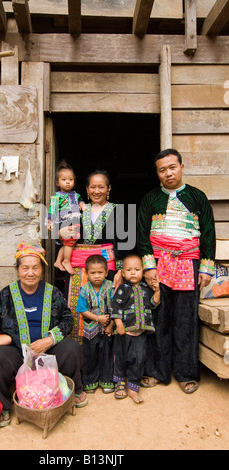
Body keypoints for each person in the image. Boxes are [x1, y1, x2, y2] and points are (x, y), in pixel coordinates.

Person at [0, 242, 88, 423]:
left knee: (72, 348)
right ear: (18, 270)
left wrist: (49, 339)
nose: (30, 273)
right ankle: (5, 404)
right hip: (15, 352)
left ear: (42, 269)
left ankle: (74, 389)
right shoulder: (5, 296)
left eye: (35, 268)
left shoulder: (52, 293)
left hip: (48, 351)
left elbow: (68, 319)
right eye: (25, 268)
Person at [137, 148, 216, 393]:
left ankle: (185, 373)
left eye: (172, 167)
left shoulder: (197, 197)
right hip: (160, 264)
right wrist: (149, 266)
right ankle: (157, 372)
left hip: (188, 264)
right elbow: (142, 235)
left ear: (182, 167)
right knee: (159, 317)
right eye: (162, 170)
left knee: (185, 319)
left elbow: (209, 234)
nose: (168, 173)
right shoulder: (150, 199)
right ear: (157, 173)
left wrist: (205, 268)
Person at [62, 170, 128, 343]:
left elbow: (124, 242)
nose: (97, 191)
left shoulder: (118, 211)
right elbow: (63, 236)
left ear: (108, 189)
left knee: (107, 307)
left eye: (101, 187)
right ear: (87, 189)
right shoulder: (76, 210)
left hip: (106, 267)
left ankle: (107, 357)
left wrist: (120, 270)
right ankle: (79, 353)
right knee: (78, 308)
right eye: (93, 187)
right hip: (78, 267)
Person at [111, 254, 160, 403]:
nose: (133, 273)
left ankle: (133, 387)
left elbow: (153, 304)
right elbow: (115, 307)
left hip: (141, 334)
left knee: (138, 360)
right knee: (120, 358)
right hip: (124, 333)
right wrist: (118, 324)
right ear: (123, 273)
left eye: (137, 269)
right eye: (129, 270)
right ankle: (119, 383)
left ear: (143, 271)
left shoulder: (146, 289)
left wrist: (157, 291)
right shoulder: (122, 289)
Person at [76, 254, 114, 394]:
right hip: (90, 330)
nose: (96, 276)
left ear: (106, 272)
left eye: (100, 272)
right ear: (86, 274)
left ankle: (107, 380)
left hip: (107, 329)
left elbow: (115, 307)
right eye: (93, 273)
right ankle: (90, 381)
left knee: (107, 354)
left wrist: (110, 325)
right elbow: (82, 310)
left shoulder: (110, 287)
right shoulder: (84, 290)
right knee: (90, 355)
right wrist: (98, 318)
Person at [48, 160, 86, 275]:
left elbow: (80, 201)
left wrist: (82, 205)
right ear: (57, 183)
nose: (68, 182)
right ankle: (66, 261)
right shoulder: (57, 196)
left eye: (70, 179)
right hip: (64, 220)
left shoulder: (76, 194)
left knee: (69, 242)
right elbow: (52, 210)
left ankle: (58, 261)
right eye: (64, 180)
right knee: (69, 240)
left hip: (74, 219)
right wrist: (50, 222)